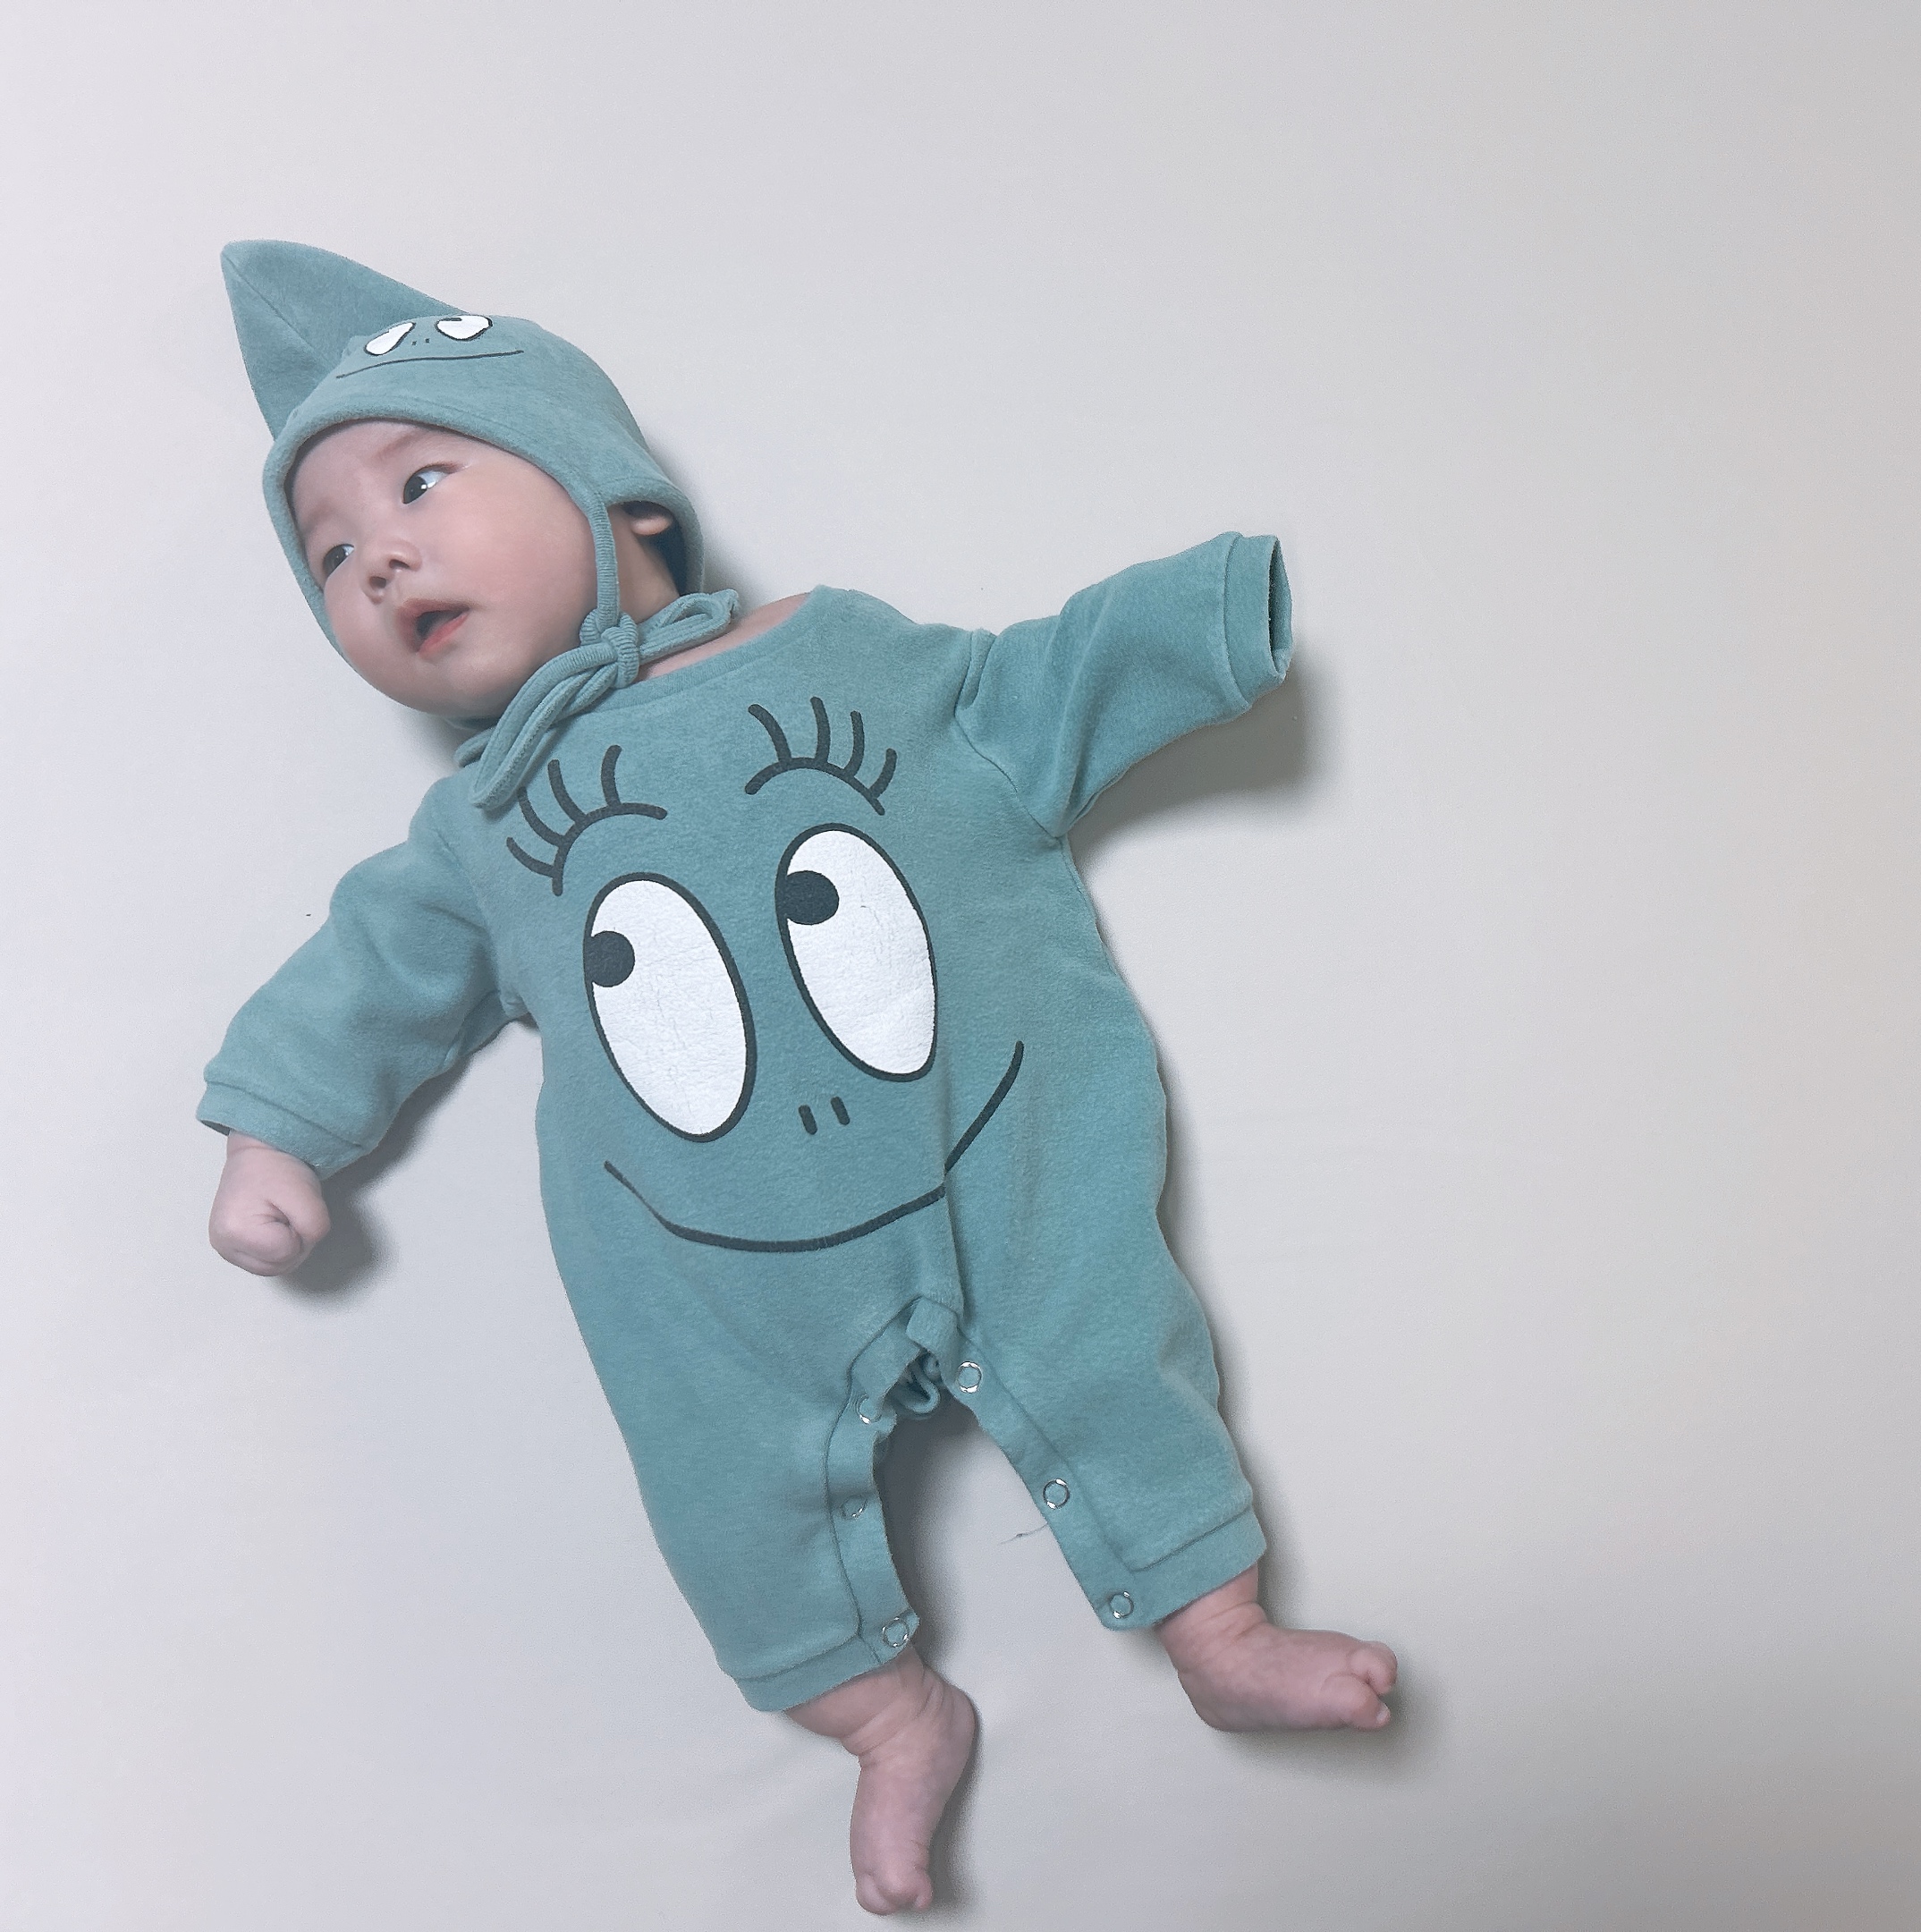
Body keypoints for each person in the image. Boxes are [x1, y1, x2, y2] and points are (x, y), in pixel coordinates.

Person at [201, 242, 1397, 1915]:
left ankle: (1223, 1633)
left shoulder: (849, 657)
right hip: (707, 1278)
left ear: (619, 502)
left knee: (1113, 1351)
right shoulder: (480, 829)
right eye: (330, 556)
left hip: (998, 1173)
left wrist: (1197, 624)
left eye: (420, 484)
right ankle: (889, 1719)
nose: (379, 554)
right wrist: (275, 1136)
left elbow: (1031, 686)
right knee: (721, 1491)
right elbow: (366, 973)